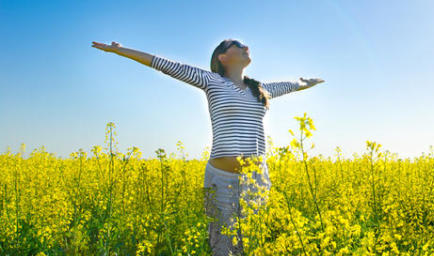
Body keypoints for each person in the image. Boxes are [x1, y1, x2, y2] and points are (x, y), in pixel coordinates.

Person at [91, 39, 324, 255]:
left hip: (256, 177)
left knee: (254, 243)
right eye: (237, 44)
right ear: (222, 57)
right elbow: (163, 64)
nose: (245, 46)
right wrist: (119, 50)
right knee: (223, 245)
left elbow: (292, 85)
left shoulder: (260, 89)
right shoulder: (212, 81)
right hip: (221, 178)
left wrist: (308, 82)